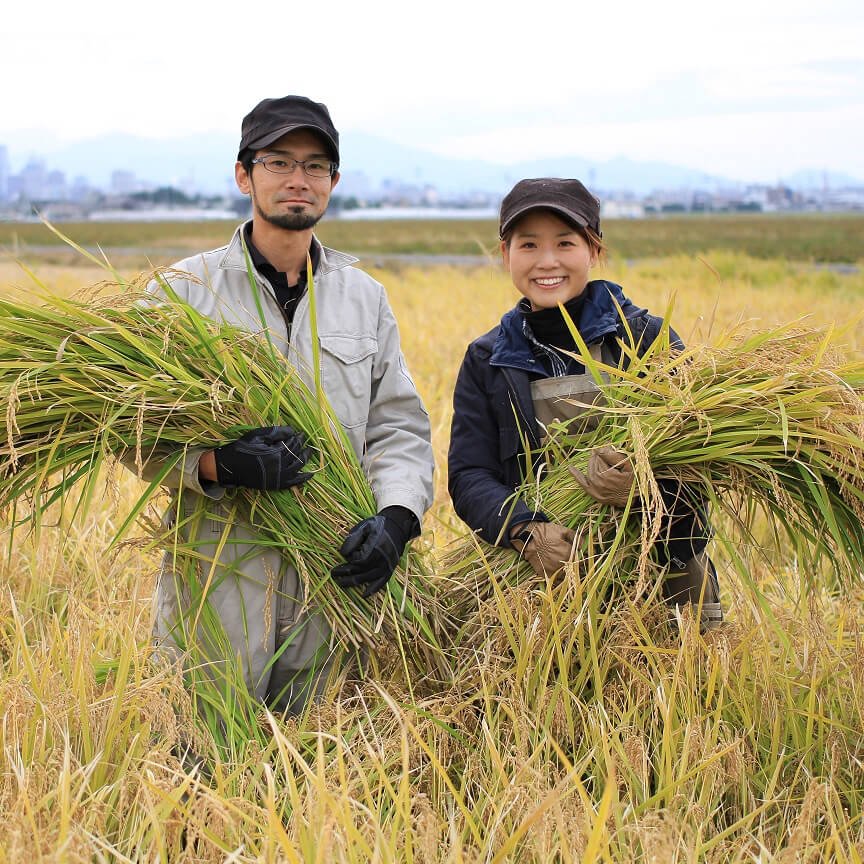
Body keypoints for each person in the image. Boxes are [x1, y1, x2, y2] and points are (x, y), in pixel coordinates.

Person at [140, 95, 434, 714]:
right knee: (207, 755)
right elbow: (133, 431)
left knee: (317, 760)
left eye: (316, 165)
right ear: (244, 174)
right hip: (218, 565)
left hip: (332, 569)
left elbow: (398, 426)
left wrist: (397, 520)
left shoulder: (364, 298)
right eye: (279, 162)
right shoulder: (181, 293)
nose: (299, 179)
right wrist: (221, 465)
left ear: (333, 183)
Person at [447, 177, 722, 631]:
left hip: (661, 578)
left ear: (594, 251)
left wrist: (644, 486)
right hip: (544, 580)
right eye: (529, 244)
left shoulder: (646, 341)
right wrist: (526, 530)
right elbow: (469, 475)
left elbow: (702, 465)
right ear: (505, 255)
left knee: (680, 696)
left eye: (565, 243)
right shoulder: (489, 359)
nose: (547, 261)